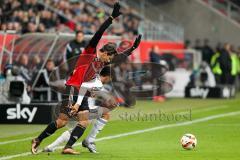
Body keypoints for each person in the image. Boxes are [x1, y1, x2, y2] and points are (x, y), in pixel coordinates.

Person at [31, 2, 141, 155]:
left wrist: (132, 49)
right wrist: (110, 18)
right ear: (104, 52)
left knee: (76, 121)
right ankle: (44, 141)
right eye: (109, 57)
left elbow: (119, 58)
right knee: (65, 121)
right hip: (73, 88)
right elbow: (98, 34)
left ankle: (59, 145)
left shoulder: (102, 61)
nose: (110, 61)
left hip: (81, 91)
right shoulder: (89, 53)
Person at [43, 66, 113, 153]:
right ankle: (89, 141)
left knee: (74, 129)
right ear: (108, 77)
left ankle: (50, 147)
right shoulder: (96, 82)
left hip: (80, 105)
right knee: (103, 115)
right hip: (80, 107)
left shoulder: (94, 79)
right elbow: (84, 88)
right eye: (111, 78)